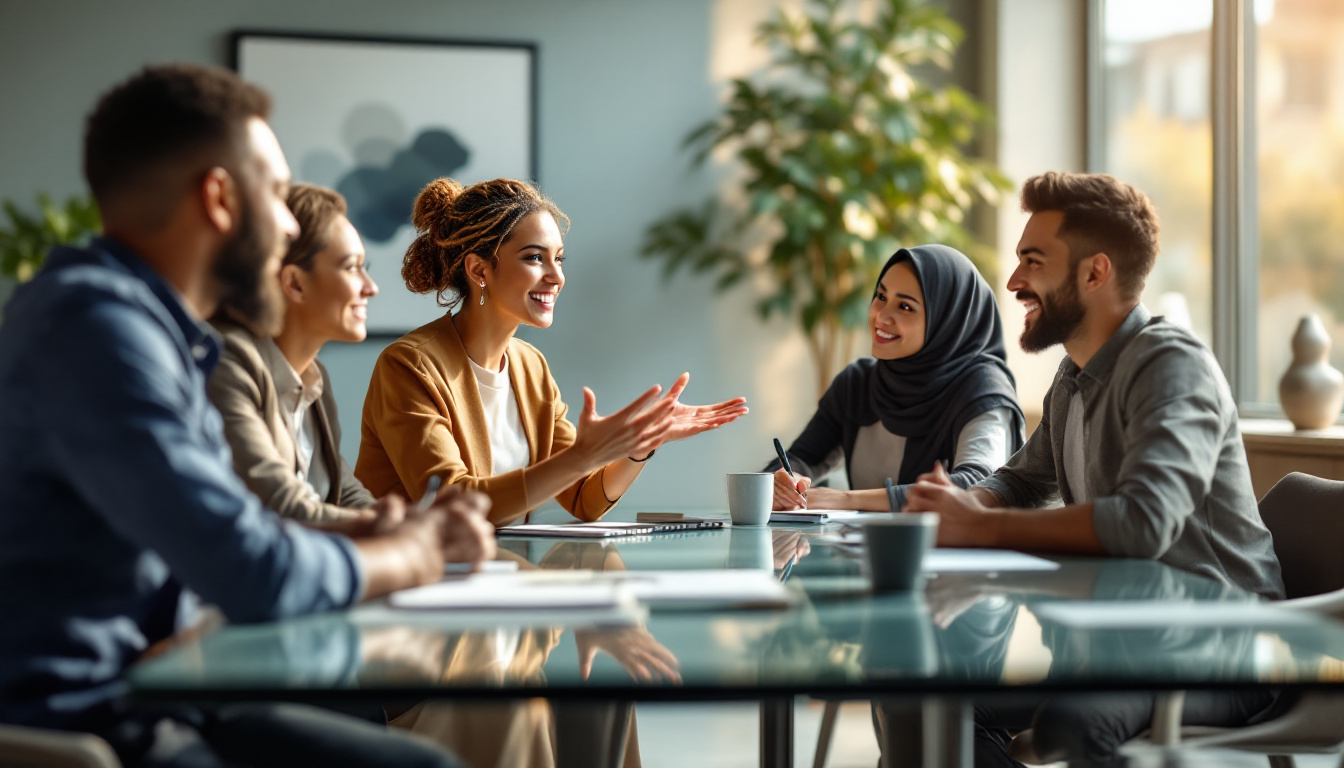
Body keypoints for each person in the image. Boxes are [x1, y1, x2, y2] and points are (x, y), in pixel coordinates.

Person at [0, 64, 495, 768]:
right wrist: (413, 554)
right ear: (220, 197)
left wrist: (368, 531)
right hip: (86, 723)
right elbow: (253, 568)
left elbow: (232, 533)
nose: (289, 222)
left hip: (162, 693)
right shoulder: (95, 330)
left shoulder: (157, 334)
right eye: (275, 191)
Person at [901, 171, 1284, 767]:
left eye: (1033, 261)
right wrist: (969, 503)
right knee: (922, 699)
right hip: (1124, 638)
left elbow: (1141, 524)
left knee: (1073, 724)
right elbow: (1025, 480)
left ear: (1095, 272)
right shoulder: (1073, 374)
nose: (1013, 281)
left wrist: (982, 528)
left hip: (1221, 648)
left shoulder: (1169, 364)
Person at [355, 177, 749, 526]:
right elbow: (449, 505)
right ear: (479, 271)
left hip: (497, 581)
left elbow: (582, 498)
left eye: (558, 258)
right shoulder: (409, 365)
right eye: (534, 257)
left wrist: (640, 446)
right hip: (415, 584)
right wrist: (581, 457)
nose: (556, 276)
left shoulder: (530, 366)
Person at [768, 244, 1025, 512]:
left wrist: (846, 500)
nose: (881, 316)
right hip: (864, 550)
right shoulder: (857, 383)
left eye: (904, 306)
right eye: (881, 296)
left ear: (946, 320)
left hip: (952, 552)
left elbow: (979, 487)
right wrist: (785, 482)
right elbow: (799, 458)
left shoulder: (983, 391)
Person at [207, 183, 380, 524]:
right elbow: (278, 506)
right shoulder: (229, 362)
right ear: (295, 284)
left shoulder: (314, 378)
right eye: (351, 267)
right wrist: (398, 529)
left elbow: (345, 493)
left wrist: (415, 523)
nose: (370, 287)